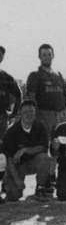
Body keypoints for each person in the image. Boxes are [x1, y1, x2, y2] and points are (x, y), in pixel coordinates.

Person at [26, 44, 66, 190]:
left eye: (49, 54)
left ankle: (52, 175)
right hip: (43, 115)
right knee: (44, 148)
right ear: (39, 57)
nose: (47, 57)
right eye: (44, 54)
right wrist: (35, 118)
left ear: (53, 55)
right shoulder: (35, 75)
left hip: (60, 116)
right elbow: (31, 97)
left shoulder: (59, 75)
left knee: (58, 146)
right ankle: (43, 181)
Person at [3, 100, 50, 202]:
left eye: (31, 111)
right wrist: (17, 179)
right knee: (13, 196)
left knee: (44, 158)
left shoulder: (40, 126)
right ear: (20, 113)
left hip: (34, 162)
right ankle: (7, 183)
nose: (29, 114)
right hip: (17, 165)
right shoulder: (11, 131)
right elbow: (9, 159)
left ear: (35, 112)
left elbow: (43, 147)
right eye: (25, 112)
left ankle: (40, 188)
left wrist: (25, 150)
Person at [0, 45, 22, 194]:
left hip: (1, 119)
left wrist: (13, 113)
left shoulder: (6, 77)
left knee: (3, 152)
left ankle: (4, 183)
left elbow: (19, 94)